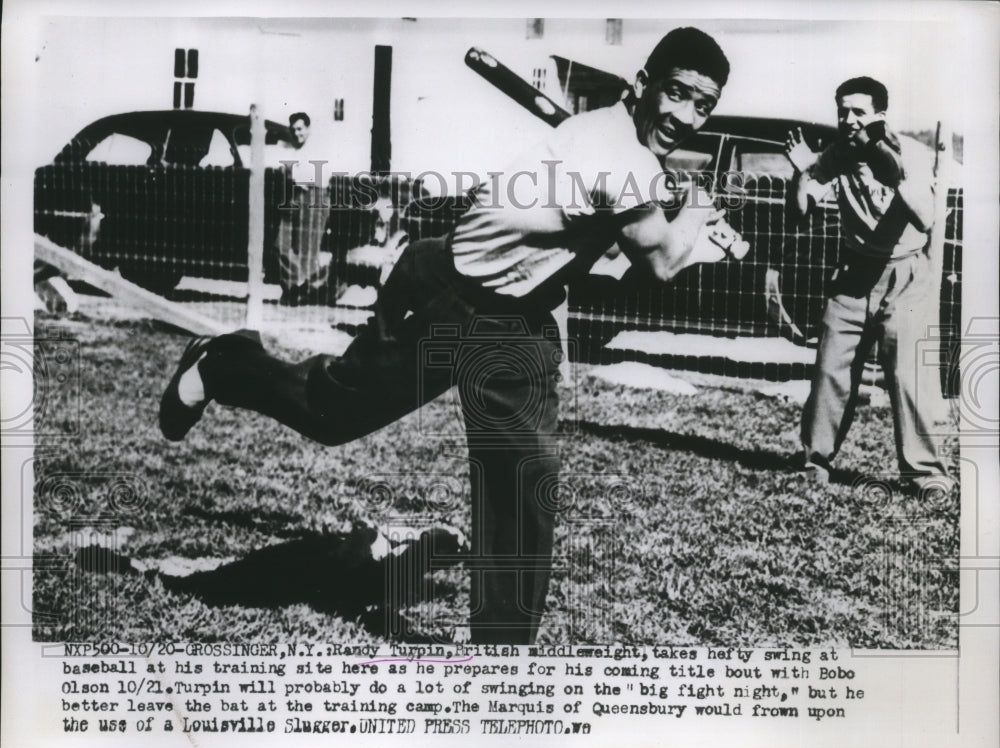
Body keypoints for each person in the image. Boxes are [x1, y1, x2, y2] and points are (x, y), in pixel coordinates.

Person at [159, 27, 733, 644]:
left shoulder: (621, 148)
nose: (686, 116)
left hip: (522, 318)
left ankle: (500, 658)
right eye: (677, 94)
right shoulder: (618, 156)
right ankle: (227, 362)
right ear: (643, 85)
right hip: (446, 293)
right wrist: (699, 207)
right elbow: (662, 264)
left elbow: (618, 240)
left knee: (523, 482)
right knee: (332, 414)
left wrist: (677, 214)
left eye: (703, 104)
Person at [784, 76, 952, 493]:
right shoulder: (837, 154)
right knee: (829, 371)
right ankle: (815, 464)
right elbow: (802, 211)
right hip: (853, 275)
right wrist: (803, 173)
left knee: (907, 375)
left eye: (858, 112)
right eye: (843, 111)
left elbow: (926, 219)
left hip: (904, 275)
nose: (848, 119)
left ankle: (926, 474)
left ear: (879, 115)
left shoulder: (910, 153)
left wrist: (890, 170)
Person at [277, 111, 332, 305]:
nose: (296, 133)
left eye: (300, 129)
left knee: (308, 247)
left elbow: (313, 176)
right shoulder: (291, 148)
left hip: (314, 196)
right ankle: (293, 285)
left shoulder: (317, 147)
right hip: (294, 196)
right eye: (293, 130)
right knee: (282, 243)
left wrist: (292, 172)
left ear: (308, 128)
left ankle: (306, 291)